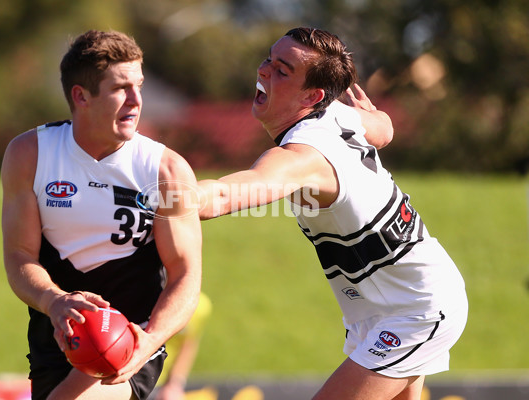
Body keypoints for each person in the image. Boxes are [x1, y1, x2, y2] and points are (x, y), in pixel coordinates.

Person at [198, 27, 467, 400]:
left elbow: (223, 196)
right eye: (268, 60)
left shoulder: (304, 156)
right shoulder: (338, 114)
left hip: (415, 310)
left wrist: (156, 198)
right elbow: (383, 128)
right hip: (390, 307)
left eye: (282, 70)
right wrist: (376, 120)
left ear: (313, 96)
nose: (264, 72)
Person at [1, 30, 202, 400]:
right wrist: (55, 301)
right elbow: (19, 256)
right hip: (56, 335)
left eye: (139, 86)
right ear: (81, 96)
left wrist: (149, 340)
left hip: (132, 337)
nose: (137, 100)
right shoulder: (30, 155)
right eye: (121, 88)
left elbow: (186, 273)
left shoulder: (166, 170)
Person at [154, 292, 212, 400]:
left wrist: (174, 384)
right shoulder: (140, 291)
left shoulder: (199, 306)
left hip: (157, 384)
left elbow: (187, 345)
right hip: (125, 378)